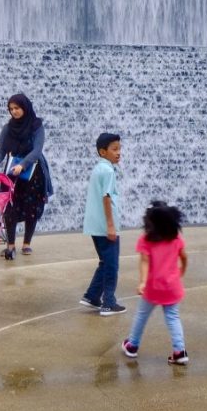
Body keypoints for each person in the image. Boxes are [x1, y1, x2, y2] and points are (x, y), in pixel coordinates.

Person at [0, 93, 53, 258]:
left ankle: (26, 243)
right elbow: (0, 152)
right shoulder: (8, 128)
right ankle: (11, 245)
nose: (14, 111)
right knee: (9, 208)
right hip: (12, 173)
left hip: (34, 172)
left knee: (32, 209)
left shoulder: (36, 126)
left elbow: (37, 150)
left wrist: (23, 164)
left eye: (17, 108)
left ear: (25, 107)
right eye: (11, 109)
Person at [121, 201, 190, 365]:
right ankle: (179, 351)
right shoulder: (176, 238)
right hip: (172, 286)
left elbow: (144, 262)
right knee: (173, 318)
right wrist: (182, 272)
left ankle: (132, 346)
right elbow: (184, 257)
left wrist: (143, 282)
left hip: (152, 286)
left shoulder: (145, 240)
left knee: (141, 316)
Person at [80, 133, 126, 316]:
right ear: (102, 152)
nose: (119, 153)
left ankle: (91, 296)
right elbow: (106, 197)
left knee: (105, 262)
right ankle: (108, 303)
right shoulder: (108, 171)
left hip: (95, 225)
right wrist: (111, 226)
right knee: (112, 265)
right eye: (114, 149)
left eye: (119, 149)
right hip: (105, 226)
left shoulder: (99, 168)